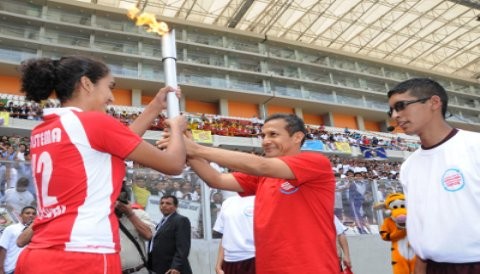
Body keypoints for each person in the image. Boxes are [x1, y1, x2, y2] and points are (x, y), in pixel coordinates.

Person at [15, 56, 187, 274]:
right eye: (109, 87)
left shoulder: (43, 130)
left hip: (39, 253)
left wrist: (154, 107)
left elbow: (119, 144)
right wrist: (178, 129)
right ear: (87, 83)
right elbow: (174, 164)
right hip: (84, 255)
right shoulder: (94, 123)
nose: (112, 97)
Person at [179, 113, 338, 273]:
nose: (265, 141)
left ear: (297, 137)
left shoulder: (316, 163)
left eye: (273, 134)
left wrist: (196, 149)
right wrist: (188, 148)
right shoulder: (263, 176)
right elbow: (216, 179)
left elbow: (262, 165)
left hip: (312, 268)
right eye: (263, 135)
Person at [387, 78, 480, 274]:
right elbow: (421, 226)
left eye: (401, 106)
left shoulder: (475, 146)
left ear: (434, 103)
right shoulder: (408, 167)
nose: (395, 115)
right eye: (392, 110)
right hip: (432, 266)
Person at [148, 195, 192, 274]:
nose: (164, 205)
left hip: (172, 269)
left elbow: (182, 247)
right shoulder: (161, 223)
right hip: (159, 268)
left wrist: (176, 267)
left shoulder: (181, 220)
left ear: (176, 206)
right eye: (161, 203)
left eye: (168, 203)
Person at [213, 195, 255, 274]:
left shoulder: (262, 199)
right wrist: (218, 265)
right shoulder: (228, 202)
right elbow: (225, 234)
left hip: (253, 258)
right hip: (230, 261)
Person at [0, 206, 36, 274]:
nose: (31, 215)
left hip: (30, 269)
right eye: (27, 213)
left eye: (34, 214)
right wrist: (1, 269)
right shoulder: (11, 228)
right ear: (20, 215)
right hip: (12, 268)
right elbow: (2, 249)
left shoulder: (38, 230)